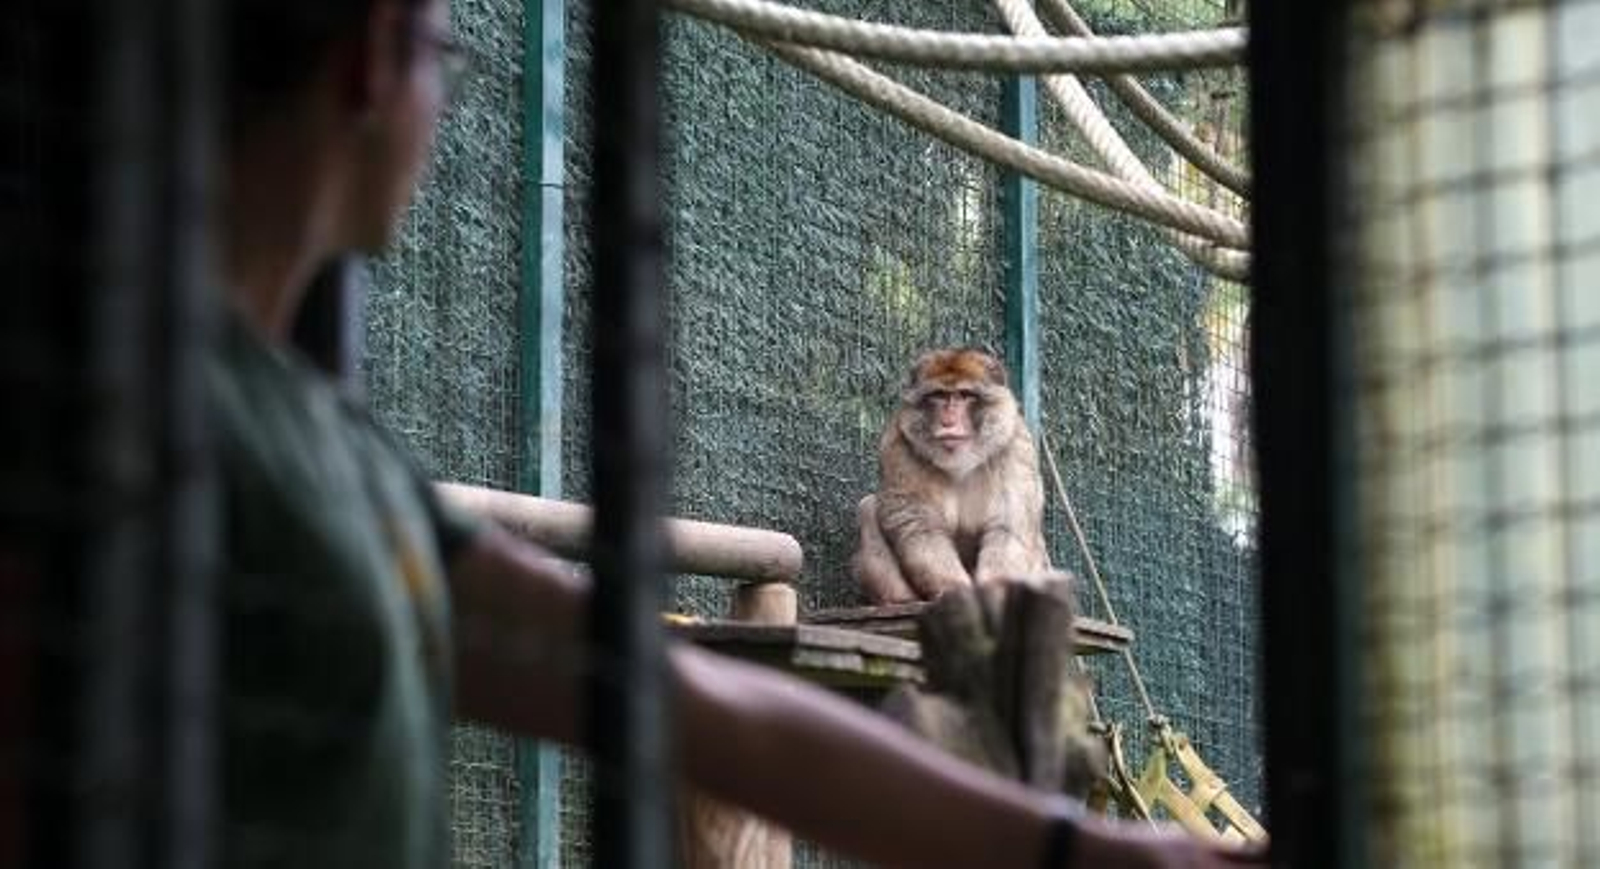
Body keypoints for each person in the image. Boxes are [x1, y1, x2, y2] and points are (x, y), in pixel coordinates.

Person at [216, 0, 1267, 866]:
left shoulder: (324, 449)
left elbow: (685, 699)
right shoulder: (238, 431)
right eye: (443, 58)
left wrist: (1080, 844)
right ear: (371, 60)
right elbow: (683, 698)